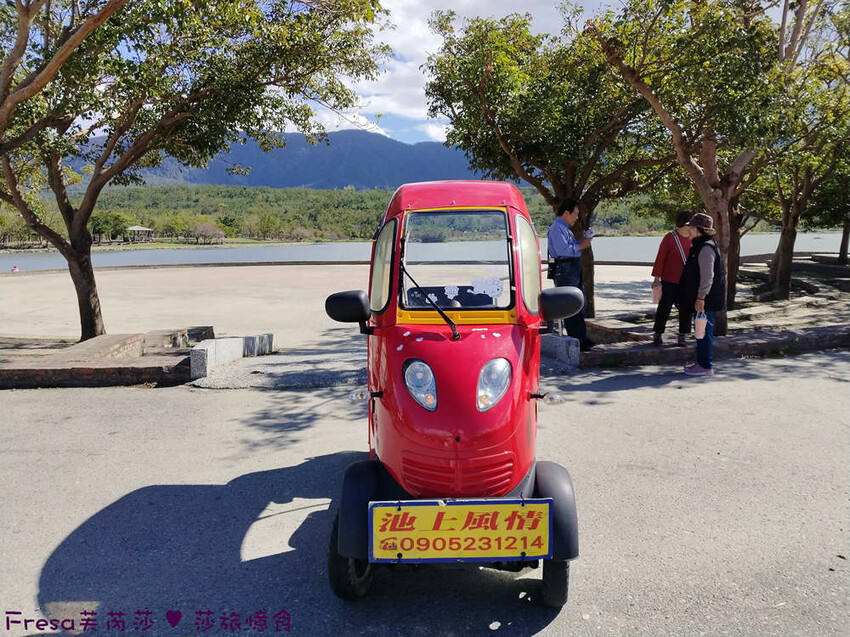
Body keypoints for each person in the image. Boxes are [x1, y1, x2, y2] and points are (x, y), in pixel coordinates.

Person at [677, 212, 726, 377]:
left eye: (691, 227)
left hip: (707, 300)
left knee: (704, 332)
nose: (688, 230)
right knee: (701, 331)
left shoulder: (705, 248)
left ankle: (705, 366)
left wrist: (700, 298)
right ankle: (702, 363)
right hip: (705, 299)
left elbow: (708, 276)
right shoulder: (701, 245)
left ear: (698, 230)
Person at [547, 198, 594, 351]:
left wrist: (582, 241)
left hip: (570, 267)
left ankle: (580, 338)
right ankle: (577, 340)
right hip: (565, 267)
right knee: (572, 304)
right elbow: (563, 251)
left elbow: (568, 247)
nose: (577, 217)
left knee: (579, 303)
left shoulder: (563, 228)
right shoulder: (557, 228)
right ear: (566, 213)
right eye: (575, 214)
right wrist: (582, 244)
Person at [651, 211, 693, 346]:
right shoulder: (670, 237)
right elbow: (660, 258)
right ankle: (658, 333)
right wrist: (657, 278)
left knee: (686, 309)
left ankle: (682, 335)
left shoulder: (694, 238)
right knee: (664, 307)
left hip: (686, 281)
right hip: (669, 280)